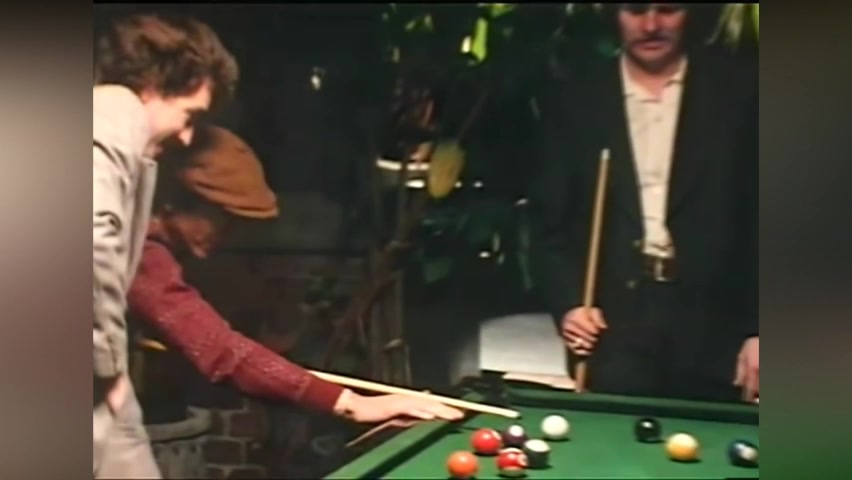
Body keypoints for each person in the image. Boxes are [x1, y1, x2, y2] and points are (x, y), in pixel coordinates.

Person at [127, 125, 464, 428]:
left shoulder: (143, 240)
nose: (228, 233)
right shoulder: (139, 250)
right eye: (223, 217)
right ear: (174, 202)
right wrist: (353, 404)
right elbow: (221, 351)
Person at [530, 4, 758, 403]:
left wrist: (761, 330)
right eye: (636, 10)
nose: (651, 25)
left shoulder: (739, 93)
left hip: (718, 330)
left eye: (667, 9)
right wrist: (569, 306)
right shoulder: (577, 98)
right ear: (614, 14)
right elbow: (549, 225)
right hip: (614, 330)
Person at [93, 13, 239, 478]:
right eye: (190, 114)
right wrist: (105, 366)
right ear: (155, 85)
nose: (187, 135)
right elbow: (88, 239)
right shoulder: (114, 115)